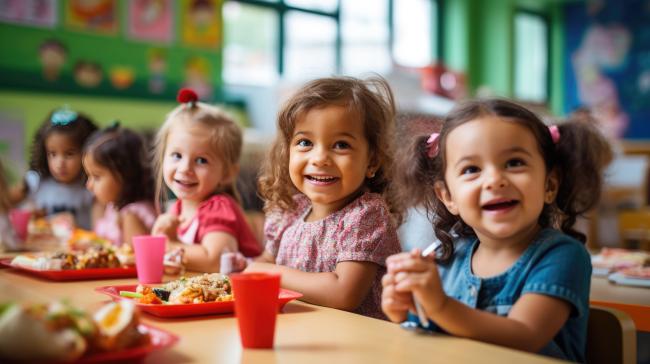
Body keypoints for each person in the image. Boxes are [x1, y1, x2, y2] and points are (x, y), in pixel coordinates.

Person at [381, 98, 612, 361]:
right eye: (471, 169)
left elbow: (524, 335)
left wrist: (440, 306)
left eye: (514, 163)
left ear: (549, 185)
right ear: (448, 196)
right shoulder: (446, 257)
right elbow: (429, 333)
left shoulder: (561, 256)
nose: (494, 180)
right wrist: (403, 308)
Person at [243, 76, 402, 320]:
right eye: (305, 142)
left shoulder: (366, 215)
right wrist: (244, 266)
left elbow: (343, 293)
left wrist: (267, 273)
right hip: (300, 337)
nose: (319, 158)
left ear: (372, 161)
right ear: (287, 153)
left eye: (340, 145)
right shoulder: (289, 211)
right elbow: (268, 260)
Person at [151, 88, 261, 273]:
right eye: (177, 155)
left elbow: (215, 260)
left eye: (201, 160)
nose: (185, 168)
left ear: (227, 173)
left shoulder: (218, 208)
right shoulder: (177, 208)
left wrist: (168, 244)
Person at [10, 107, 97, 229]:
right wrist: (29, 214)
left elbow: (98, 232)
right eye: (53, 154)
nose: (60, 163)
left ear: (87, 153)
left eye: (69, 154)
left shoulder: (92, 187)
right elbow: (5, 201)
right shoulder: (35, 181)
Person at [83, 123, 157, 246]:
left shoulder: (131, 216)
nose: (88, 185)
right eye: (88, 176)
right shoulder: (114, 206)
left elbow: (133, 261)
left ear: (126, 175)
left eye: (96, 177)